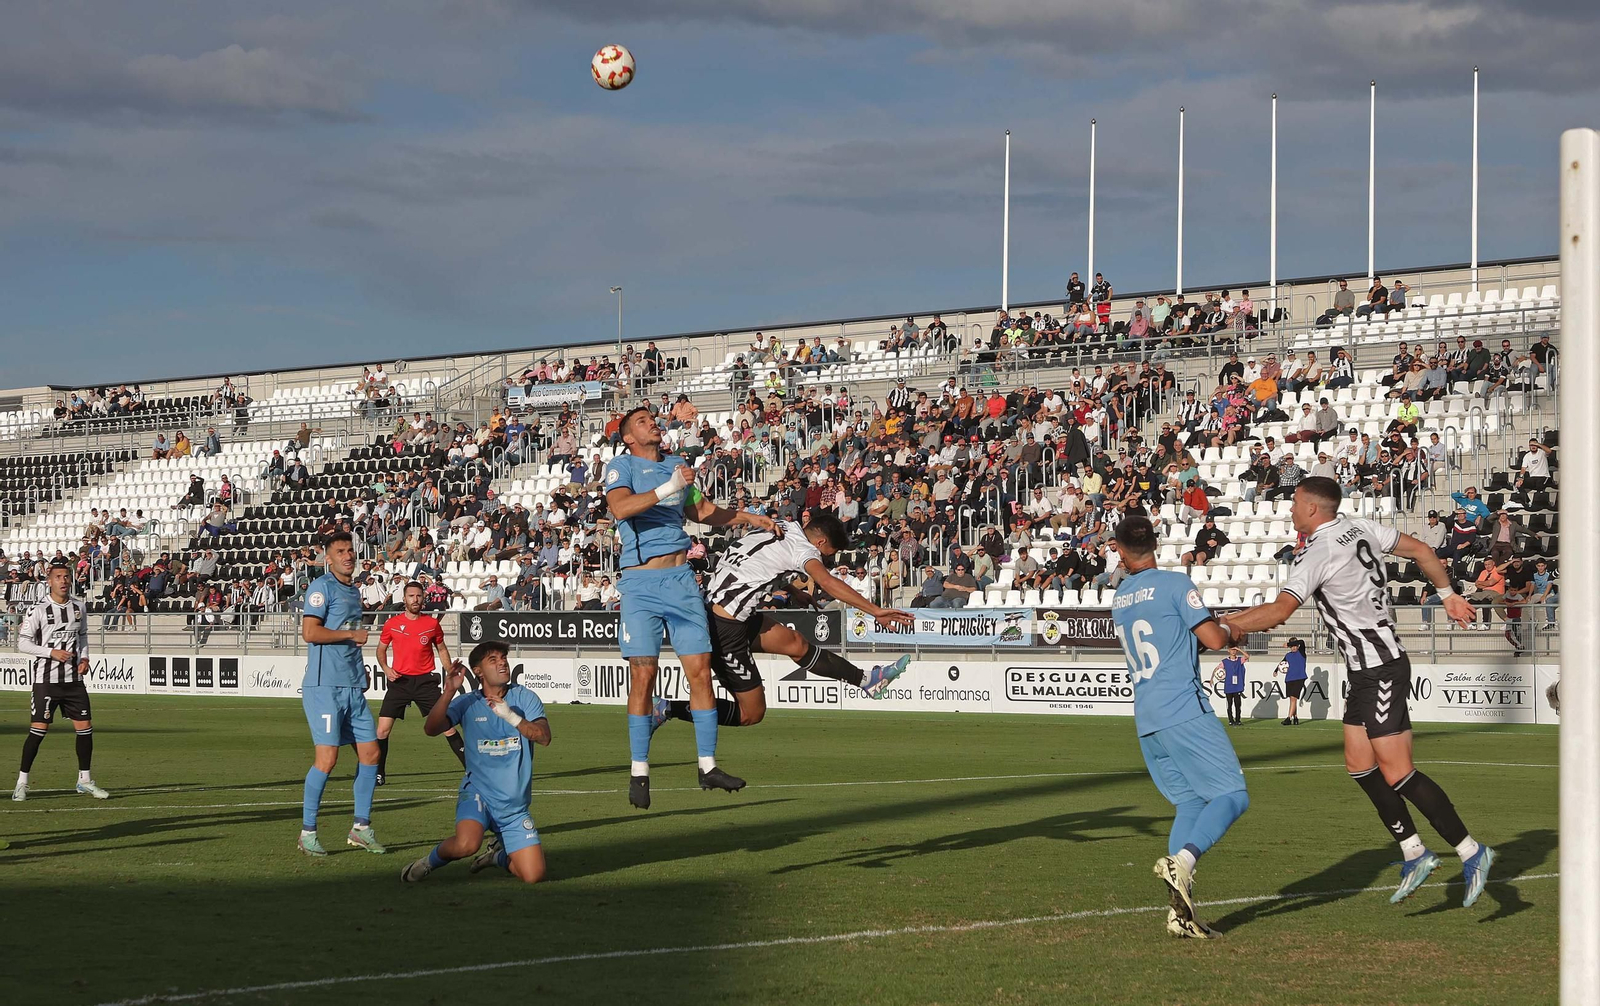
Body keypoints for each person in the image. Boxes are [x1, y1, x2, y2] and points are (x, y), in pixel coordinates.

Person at [1218, 476, 1496, 907]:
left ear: (1312, 509)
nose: (1290, 509)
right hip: (1367, 670)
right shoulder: (1360, 526)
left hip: (1381, 667)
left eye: (1294, 502)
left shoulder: (1318, 552)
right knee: (1359, 764)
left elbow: (1279, 611)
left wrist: (1227, 626)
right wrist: (1448, 595)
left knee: (1398, 771)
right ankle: (1414, 852)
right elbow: (1423, 550)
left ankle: (1471, 851)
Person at [603, 406, 779, 810]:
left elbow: (700, 511)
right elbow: (621, 508)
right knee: (643, 674)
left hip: (681, 582)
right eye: (643, 421)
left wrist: (749, 517)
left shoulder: (677, 464)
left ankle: (707, 765)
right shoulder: (622, 465)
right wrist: (669, 487)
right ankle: (640, 770)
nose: (653, 424)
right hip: (641, 583)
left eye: (653, 419)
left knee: (700, 671)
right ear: (629, 436)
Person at [652, 512, 915, 740]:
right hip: (724, 626)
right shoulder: (805, 550)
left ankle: (867, 680)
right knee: (751, 713)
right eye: (827, 554)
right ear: (820, 542)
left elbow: (760, 561)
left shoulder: (782, 526)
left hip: (725, 610)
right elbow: (827, 582)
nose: (824, 560)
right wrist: (875, 611)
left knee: (796, 643)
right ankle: (665, 709)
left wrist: (792, 589)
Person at [1109, 516, 1246, 940]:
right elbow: (1214, 639)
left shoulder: (1119, 597)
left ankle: (1180, 916)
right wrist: (1230, 626)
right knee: (1232, 795)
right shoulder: (1174, 583)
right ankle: (1183, 861)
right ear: (1157, 543)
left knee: (1189, 805)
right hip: (1183, 707)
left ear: (1117, 549)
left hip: (1147, 715)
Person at [402, 641, 551, 884]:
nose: (502, 662)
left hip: (513, 806)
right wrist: (449, 690)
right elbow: (431, 728)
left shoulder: (524, 698)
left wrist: (511, 717)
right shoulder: (467, 702)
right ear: (478, 671)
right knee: (466, 844)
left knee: (534, 876)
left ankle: (496, 857)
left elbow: (544, 737)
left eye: (503, 657)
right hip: (478, 793)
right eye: (493, 659)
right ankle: (428, 862)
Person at [297, 532, 385, 857]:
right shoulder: (321, 588)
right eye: (340, 551)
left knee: (371, 754)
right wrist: (350, 633)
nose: (348, 555)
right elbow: (310, 632)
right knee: (327, 759)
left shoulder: (353, 590)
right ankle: (307, 833)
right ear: (328, 558)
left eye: (350, 550)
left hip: (352, 686)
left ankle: (361, 828)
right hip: (325, 687)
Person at [12, 559, 108, 802]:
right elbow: (23, 642)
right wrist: (51, 652)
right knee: (38, 731)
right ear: (49, 581)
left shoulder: (79, 607)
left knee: (85, 729)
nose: (63, 581)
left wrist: (84, 659)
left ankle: (84, 780)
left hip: (74, 681)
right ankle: (21, 783)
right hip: (46, 679)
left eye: (66, 576)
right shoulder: (39, 609)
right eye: (58, 577)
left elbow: (83, 636)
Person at [374, 581, 467, 786]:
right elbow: (380, 650)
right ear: (404, 599)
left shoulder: (432, 624)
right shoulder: (392, 624)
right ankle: (378, 773)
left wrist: (449, 668)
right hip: (400, 681)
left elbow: (441, 649)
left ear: (423, 598)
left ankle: (472, 770)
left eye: (418, 596)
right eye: (411, 596)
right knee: (381, 730)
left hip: (425, 682)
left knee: (447, 726)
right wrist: (386, 669)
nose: (415, 600)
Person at [1274, 637, 1308, 725]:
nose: (1293, 648)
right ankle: (1295, 717)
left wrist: (1289, 644)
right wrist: (1276, 670)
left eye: (1295, 646)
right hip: (1289, 679)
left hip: (1299, 678)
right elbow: (1281, 663)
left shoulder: (1301, 653)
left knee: (1293, 698)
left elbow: (1302, 641)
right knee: (1292, 699)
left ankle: (1288, 718)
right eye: (1292, 646)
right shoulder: (1288, 655)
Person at [1210, 646, 1246, 726]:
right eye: (1232, 650)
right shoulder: (1225, 662)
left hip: (1237, 686)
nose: (1233, 652)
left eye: (1234, 650)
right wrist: (1211, 678)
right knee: (1229, 705)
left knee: (1238, 705)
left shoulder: (1240, 660)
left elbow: (1247, 656)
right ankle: (1230, 720)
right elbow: (1216, 669)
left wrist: (1239, 649)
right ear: (1228, 651)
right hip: (1229, 686)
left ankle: (1238, 720)